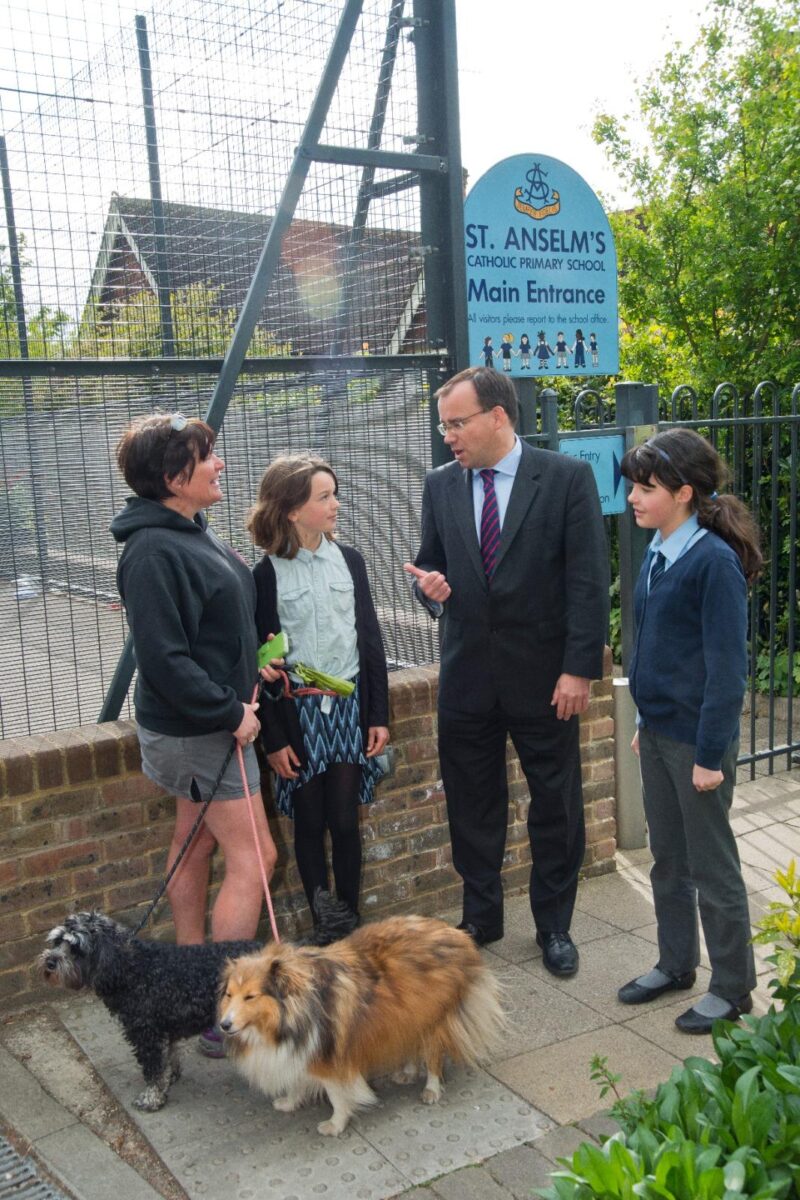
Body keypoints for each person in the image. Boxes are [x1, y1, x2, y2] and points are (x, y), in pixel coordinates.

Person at [404, 367, 609, 977]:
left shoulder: (566, 479)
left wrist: (579, 669)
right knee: (471, 804)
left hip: (547, 680)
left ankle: (554, 926)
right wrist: (432, 591)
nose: (449, 437)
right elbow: (428, 568)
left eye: (457, 423)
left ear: (498, 416)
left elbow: (588, 583)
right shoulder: (440, 486)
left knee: (555, 803)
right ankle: (482, 916)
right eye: (444, 425)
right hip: (467, 678)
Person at [112, 412, 278, 1057]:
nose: (222, 466)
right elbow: (164, 659)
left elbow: (209, 630)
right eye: (208, 458)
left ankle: (188, 976)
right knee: (256, 858)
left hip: (201, 725)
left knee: (192, 845)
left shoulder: (188, 529)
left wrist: (252, 664)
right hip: (199, 731)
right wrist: (230, 711)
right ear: (173, 477)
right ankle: (221, 1009)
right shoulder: (152, 551)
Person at [617, 429, 761, 1033]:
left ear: (682, 493)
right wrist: (646, 722)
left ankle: (732, 988)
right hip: (658, 734)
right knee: (667, 860)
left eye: (644, 489)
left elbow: (728, 672)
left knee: (712, 865)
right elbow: (657, 648)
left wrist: (708, 756)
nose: (632, 498)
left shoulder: (713, 562)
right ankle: (676, 964)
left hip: (699, 744)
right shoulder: (658, 550)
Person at [248, 453, 389, 942]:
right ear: (291, 509)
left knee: (345, 819)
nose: (335, 504)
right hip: (299, 710)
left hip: (347, 707)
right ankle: (321, 922)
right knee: (309, 821)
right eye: (323, 497)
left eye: (334, 493)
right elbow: (265, 665)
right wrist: (275, 738)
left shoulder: (350, 561)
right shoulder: (265, 575)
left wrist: (378, 714)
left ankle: (349, 922)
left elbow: (370, 641)